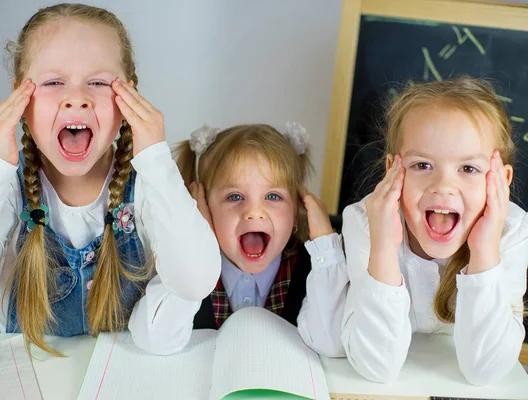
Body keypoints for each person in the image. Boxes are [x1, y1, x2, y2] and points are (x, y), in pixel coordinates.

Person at [0, 3, 220, 355]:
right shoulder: (8, 183)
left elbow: (196, 281)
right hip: (32, 370)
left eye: (97, 82)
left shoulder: (145, 182)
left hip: (124, 370)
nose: (76, 100)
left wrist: (156, 158)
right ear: (20, 95)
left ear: (128, 96)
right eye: (54, 82)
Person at [341, 77, 528, 385]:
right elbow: (375, 366)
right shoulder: (366, 221)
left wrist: (485, 250)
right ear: (392, 171)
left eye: (468, 169)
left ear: (500, 179)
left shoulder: (511, 231)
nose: (443, 186)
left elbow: (485, 371)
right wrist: (384, 249)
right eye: (422, 165)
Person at [130, 123, 348, 357]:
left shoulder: (316, 269)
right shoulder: (178, 265)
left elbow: (333, 344)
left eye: (273, 196)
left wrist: (325, 243)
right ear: (203, 206)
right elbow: (154, 340)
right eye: (235, 196)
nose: (254, 212)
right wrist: (195, 241)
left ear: (296, 209)